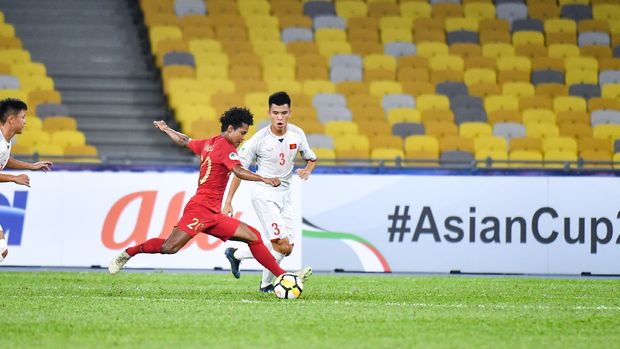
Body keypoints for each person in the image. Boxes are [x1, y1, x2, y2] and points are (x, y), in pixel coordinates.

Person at [108, 107, 311, 283]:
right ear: (230, 129)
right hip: (200, 209)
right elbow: (238, 171)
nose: (243, 138)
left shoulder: (209, 143)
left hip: (213, 214)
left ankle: (283, 276)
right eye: (242, 132)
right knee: (169, 247)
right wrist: (264, 178)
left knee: (253, 237)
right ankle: (128, 253)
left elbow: (185, 140)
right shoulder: (227, 149)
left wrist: (167, 129)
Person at [222, 91, 316, 293]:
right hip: (264, 194)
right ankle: (266, 281)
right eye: (275, 113)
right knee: (280, 244)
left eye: (283, 113)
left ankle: (240, 259)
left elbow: (311, 157)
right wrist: (228, 200)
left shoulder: (297, 134)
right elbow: (238, 171)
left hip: (286, 194)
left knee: (286, 247)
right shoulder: (259, 139)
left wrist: (307, 169)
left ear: (290, 112)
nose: (280, 118)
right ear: (269, 113)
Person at [0, 98, 54, 263]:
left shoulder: (5, 141)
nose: (25, 121)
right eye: (22, 117)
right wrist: (14, 178)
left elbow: (4, 159)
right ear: (11, 119)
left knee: (1, 250)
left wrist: (30, 166)